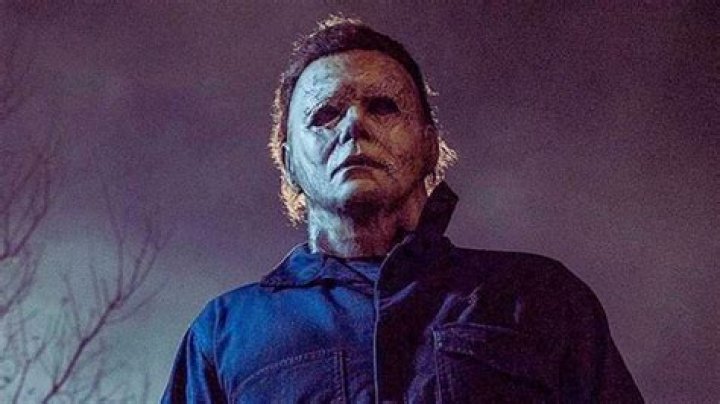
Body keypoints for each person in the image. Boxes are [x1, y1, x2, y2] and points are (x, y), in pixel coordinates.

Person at [162, 16, 644, 403]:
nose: (354, 125)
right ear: (287, 160)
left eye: (383, 107)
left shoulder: (540, 298)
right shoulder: (224, 333)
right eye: (325, 114)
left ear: (430, 145)